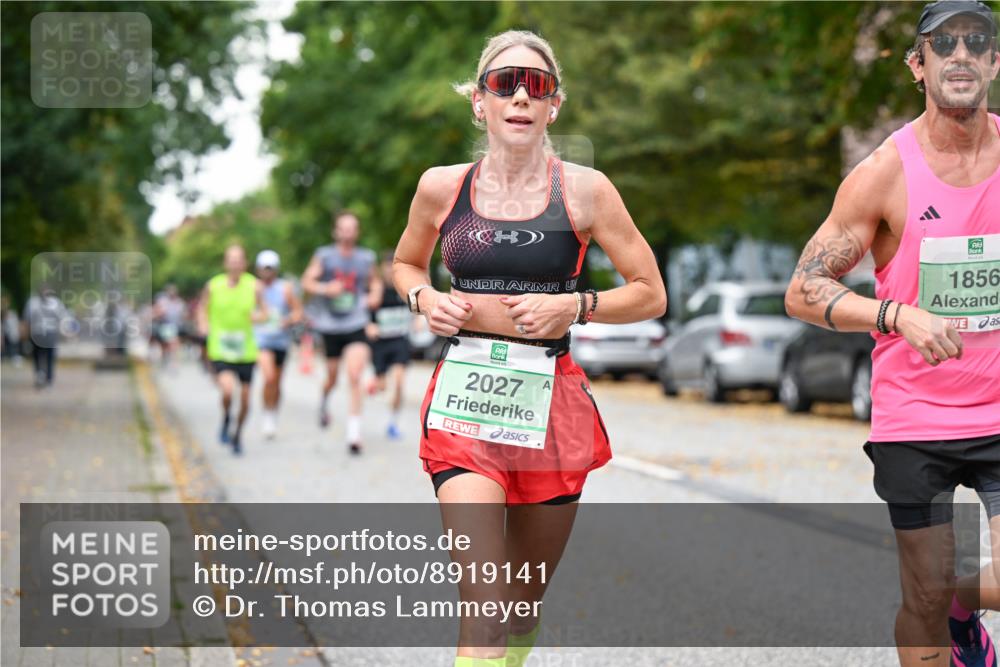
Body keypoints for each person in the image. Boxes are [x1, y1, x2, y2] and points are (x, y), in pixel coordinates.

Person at [392, 30, 666, 666]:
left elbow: (651, 293)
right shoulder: (440, 187)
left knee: (520, 602)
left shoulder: (587, 191)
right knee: (483, 607)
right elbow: (405, 264)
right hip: (464, 404)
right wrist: (424, 299)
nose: (520, 95)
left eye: (535, 85)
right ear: (479, 103)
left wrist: (576, 306)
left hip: (551, 405)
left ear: (554, 106)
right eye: (503, 83)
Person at [785, 3, 999, 666]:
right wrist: (896, 315)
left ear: (995, 62)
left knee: (948, 589)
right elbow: (803, 288)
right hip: (916, 413)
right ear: (918, 65)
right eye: (943, 44)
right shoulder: (885, 171)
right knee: (925, 595)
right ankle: (949, 610)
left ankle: (966, 598)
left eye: (977, 42)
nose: (960, 54)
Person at [301, 211, 381, 455]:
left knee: (355, 374)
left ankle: (354, 433)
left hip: (356, 322)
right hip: (330, 325)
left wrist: (375, 294)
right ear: (336, 232)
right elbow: (306, 282)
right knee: (333, 377)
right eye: (343, 228)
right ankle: (324, 400)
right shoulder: (325, 256)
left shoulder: (366, 257)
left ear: (357, 232)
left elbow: (374, 282)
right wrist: (326, 288)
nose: (347, 232)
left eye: (352, 228)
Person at [198, 245, 268, 455]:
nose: (235, 263)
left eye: (239, 259)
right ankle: (227, 416)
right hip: (220, 347)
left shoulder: (255, 286)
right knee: (228, 390)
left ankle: (237, 434)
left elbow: (265, 313)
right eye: (232, 259)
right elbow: (202, 308)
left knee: (246, 399)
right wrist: (203, 325)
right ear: (226, 263)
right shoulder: (213, 285)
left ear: (245, 263)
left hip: (245, 349)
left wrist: (257, 317)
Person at [253, 249, 303, 439]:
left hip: (281, 341)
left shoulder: (285, 288)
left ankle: (273, 413)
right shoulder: (253, 288)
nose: (267, 272)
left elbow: (298, 312)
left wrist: (288, 320)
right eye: (264, 268)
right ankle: (266, 414)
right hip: (261, 340)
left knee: (277, 382)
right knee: (269, 377)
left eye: (270, 268)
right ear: (258, 269)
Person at [366, 251, 413, 439]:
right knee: (382, 387)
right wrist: (368, 325)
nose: (390, 271)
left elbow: (417, 304)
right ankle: (375, 383)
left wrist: (418, 318)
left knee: (400, 382)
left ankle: (393, 422)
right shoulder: (375, 288)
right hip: (380, 344)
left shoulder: (404, 287)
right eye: (387, 267)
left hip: (400, 341)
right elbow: (362, 311)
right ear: (381, 268)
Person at [24, 285, 68, 389]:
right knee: (38, 355)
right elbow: (27, 320)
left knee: (48, 356)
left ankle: (48, 378)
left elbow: (62, 318)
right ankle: (40, 375)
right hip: (37, 333)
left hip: (49, 333)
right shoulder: (33, 303)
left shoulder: (55, 303)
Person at [151, 284, 185, 368]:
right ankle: (166, 360)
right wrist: (160, 313)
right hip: (165, 325)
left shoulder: (179, 302)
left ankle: (174, 363)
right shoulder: (162, 301)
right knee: (166, 345)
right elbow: (155, 313)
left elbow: (184, 314)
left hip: (176, 326)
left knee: (174, 344)